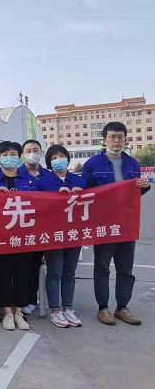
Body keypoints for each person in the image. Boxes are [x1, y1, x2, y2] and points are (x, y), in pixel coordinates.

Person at [82, 122, 151, 326]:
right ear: (104, 140)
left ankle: (122, 307)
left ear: (125, 139)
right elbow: (85, 194)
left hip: (126, 223)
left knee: (125, 268)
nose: (116, 141)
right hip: (104, 224)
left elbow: (134, 192)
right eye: (112, 137)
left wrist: (144, 187)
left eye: (120, 137)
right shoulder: (92, 164)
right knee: (102, 267)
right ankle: (103, 308)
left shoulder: (132, 164)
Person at [0, 141, 39, 331]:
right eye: (5, 154)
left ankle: (19, 312)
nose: (9, 158)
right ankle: (7, 313)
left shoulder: (30, 181)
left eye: (13, 154)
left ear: (20, 156)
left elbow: (41, 205)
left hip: (24, 236)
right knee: (3, 274)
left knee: (22, 273)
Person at [38, 145, 86, 328]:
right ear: (49, 163)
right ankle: (55, 310)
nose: (59, 160)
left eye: (62, 156)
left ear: (67, 158)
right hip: (53, 233)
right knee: (54, 272)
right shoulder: (44, 182)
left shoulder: (79, 180)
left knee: (69, 273)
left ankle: (68, 308)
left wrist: (79, 195)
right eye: (54, 158)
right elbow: (38, 206)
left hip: (74, 233)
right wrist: (56, 198)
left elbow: (91, 203)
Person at [18, 139, 47, 315]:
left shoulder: (48, 175)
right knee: (23, 267)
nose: (32, 154)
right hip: (20, 228)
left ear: (41, 152)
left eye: (35, 150)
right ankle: (22, 299)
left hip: (41, 229)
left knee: (36, 265)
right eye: (28, 150)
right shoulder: (17, 175)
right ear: (22, 154)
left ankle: (32, 299)